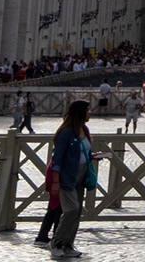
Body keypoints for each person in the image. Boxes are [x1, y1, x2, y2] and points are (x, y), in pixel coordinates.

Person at [49, 99, 95, 260]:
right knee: (71, 209)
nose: (90, 113)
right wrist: (56, 182)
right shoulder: (66, 132)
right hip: (67, 176)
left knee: (77, 212)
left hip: (81, 175)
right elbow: (57, 158)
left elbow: (84, 151)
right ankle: (56, 242)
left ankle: (68, 244)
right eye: (88, 110)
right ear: (80, 112)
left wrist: (93, 156)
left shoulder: (84, 129)